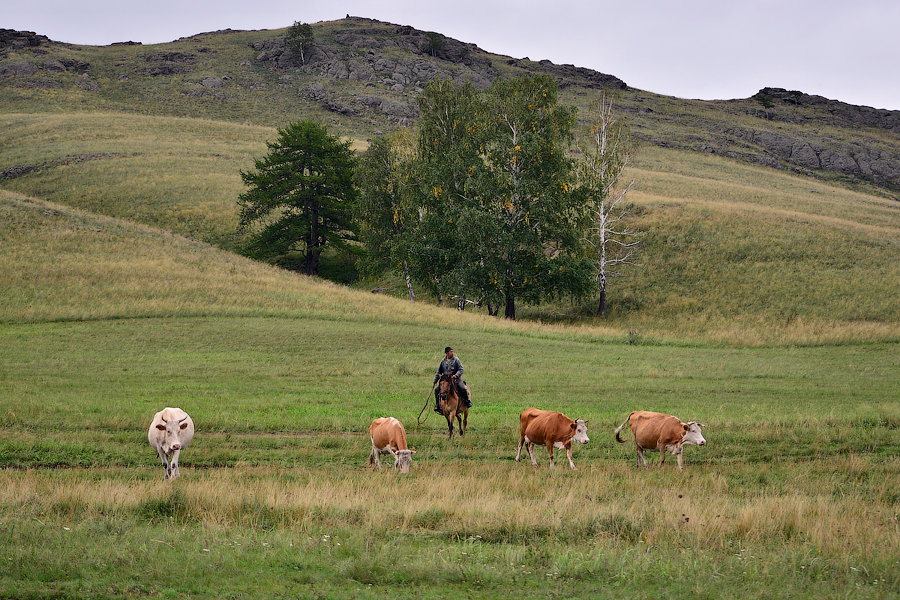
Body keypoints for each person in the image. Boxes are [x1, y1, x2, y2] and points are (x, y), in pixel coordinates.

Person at [433, 346, 471, 412]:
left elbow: (461, 369)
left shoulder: (456, 360)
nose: (452, 353)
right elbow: (438, 371)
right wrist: (435, 381)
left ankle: (467, 402)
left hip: (456, 379)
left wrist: (456, 375)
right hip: (445, 381)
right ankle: (438, 405)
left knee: (462, 388)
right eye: (451, 352)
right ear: (447, 353)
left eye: (452, 351)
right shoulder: (443, 361)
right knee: (437, 390)